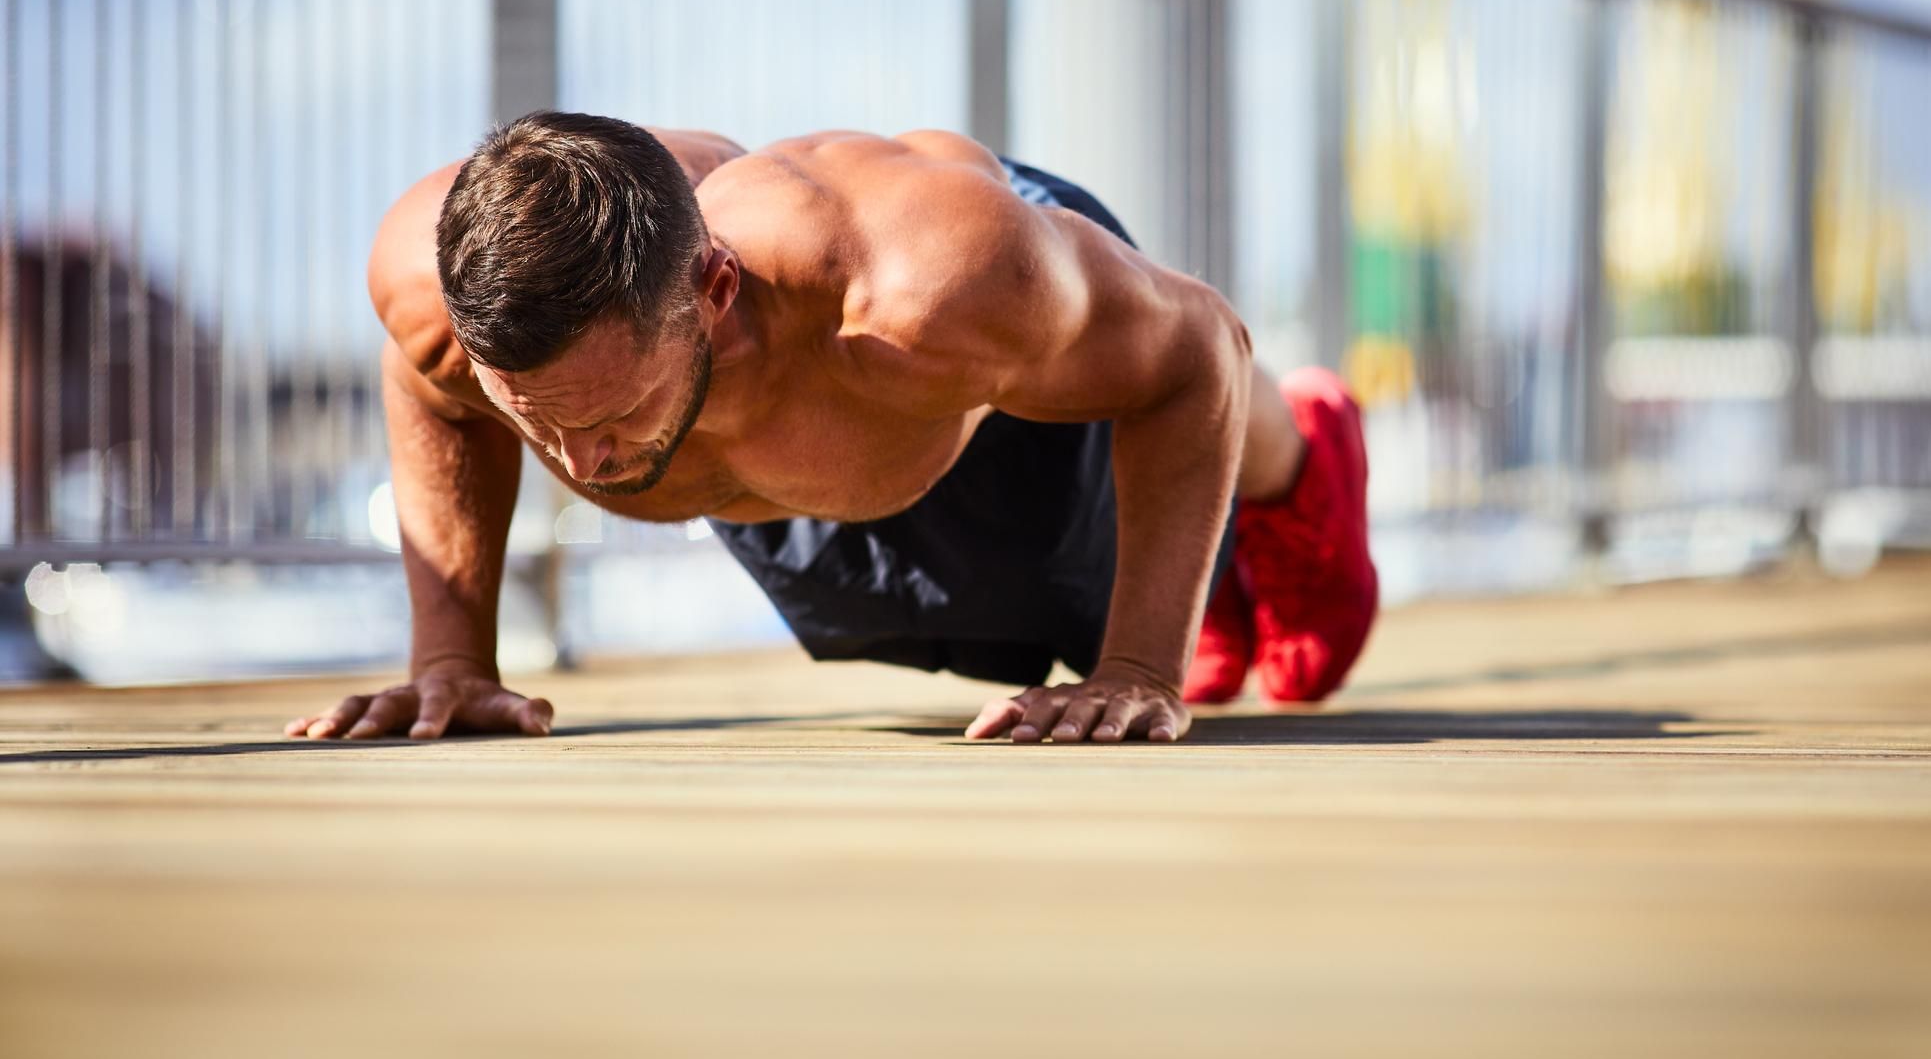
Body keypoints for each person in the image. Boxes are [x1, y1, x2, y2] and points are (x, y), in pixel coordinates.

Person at [286, 113, 1376, 745]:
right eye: (541, 424)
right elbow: (428, 384)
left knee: (1169, 563)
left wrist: (1142, 665)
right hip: (808, 463)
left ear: (712, 291)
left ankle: (1310, 452)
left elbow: (1200, 354)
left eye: (610, 416)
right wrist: (451, 658)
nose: (583, 468)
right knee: (1021, 610)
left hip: (938, 371)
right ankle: (1210, 584)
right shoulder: (441, 291)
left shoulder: (932, 294)